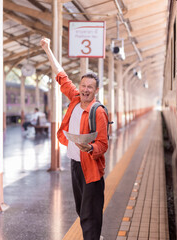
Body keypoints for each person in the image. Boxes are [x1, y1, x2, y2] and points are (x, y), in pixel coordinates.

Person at [40, 37, 108, 240]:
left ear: (95, 91)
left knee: (89, 214)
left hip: (91, 167)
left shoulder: (98, 112)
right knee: (81, 210)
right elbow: (61, 75)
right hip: (75, 165)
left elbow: (103, 144)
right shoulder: (75, 99)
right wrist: (47, 49)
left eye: (90, 87)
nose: (85, 89)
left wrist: (90, 149)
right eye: (83, 85)